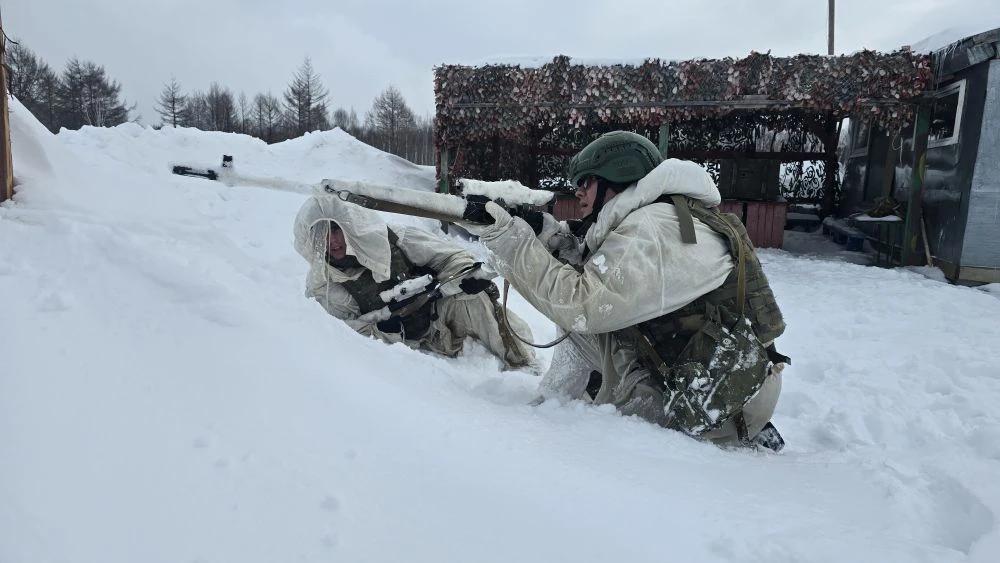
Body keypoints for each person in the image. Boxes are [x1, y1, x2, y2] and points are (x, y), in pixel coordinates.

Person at [463, 131, 788, 449]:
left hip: (717, 404)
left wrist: (511, 241)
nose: (578, 192)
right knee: (580, 323)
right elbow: (600, 268)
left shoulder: (653, 227)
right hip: (724, 379)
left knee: (579, 317)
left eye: (586, 182)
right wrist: (546, 236)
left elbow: (582, 305)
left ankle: (597, 426)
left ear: (617, 180)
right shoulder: (667, 212)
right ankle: (555, 401)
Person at [293, 192, 535, 370]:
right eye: (322, 235)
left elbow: (450, 257)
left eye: (336, 230)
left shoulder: (393, 239)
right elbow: (338, 336)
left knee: (473, 298)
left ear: (350, 227)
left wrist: (466, 276)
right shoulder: (323, 286)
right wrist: (383, 329)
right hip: (398, 357)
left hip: (436, 319)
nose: (332, 241)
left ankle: (522, 367)